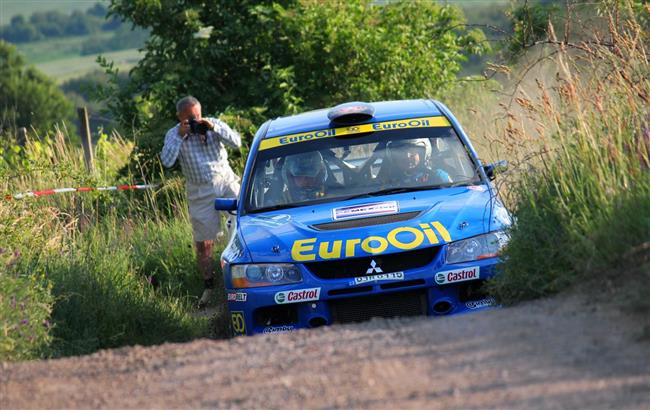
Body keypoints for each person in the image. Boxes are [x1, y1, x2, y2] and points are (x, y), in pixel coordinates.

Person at [161, 96, 241, 308]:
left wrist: (214, 128)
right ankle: (210, 288)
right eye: (190, 119)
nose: (196, 122)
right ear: (180, 118)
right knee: (203, 243)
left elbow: (237, 143)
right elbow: (167, 162)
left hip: (225, 181)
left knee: (245, 224)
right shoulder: (173, 134)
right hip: (199, 190)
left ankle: (244, 278)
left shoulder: (213, 123)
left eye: (197, 116)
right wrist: (180, 136)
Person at [380, 138, 451, 186]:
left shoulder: (437, 177)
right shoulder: (387, 183)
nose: (407, 156)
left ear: (423, 154)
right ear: (394, 157)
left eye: (412, 151)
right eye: (401, 152)